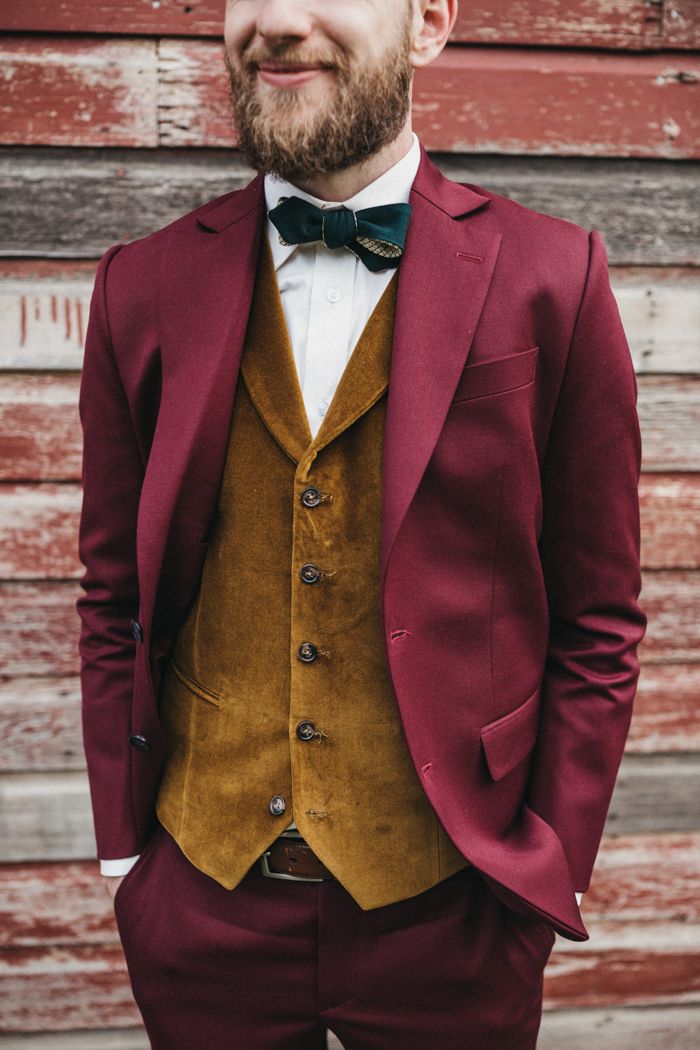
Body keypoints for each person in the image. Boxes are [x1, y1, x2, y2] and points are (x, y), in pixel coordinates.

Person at [76, 1, 646, 1047]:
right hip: (201, 907)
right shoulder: (141, 285)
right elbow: (113, 595)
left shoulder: (551, 278)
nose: (279, 21)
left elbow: (599, 616)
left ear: (427, 21)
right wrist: (128, 863)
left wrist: (542, 869)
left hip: (454, 910)